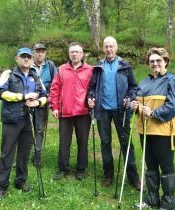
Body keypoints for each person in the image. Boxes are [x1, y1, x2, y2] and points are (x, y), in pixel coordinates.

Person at [131, 47, 175, 210]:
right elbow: (140, 103)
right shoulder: (145, 82)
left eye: (158, 61)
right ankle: (152, 199)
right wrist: (135, 105)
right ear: (148, 64)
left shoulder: (172, 80)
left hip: (163, 131)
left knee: (166, 168)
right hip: (145, 131)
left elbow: (174, 105)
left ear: (165, 62)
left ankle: (168, 203)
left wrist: (153, 113)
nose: (155, 64)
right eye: (151, 61)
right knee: (151, 166)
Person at [0, 47, 47, 201]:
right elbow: (1, 93)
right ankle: (2, 186)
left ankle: (21, 182)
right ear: (17, 58)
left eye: (28, 57)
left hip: (28, 120)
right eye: (22, 57)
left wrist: (37, 102)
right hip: (11, 120)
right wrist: (23, 96)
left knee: (24, 153)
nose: (26, 59)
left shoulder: (35, 76)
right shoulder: (8, 74)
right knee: (7, 153)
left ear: (32, 59)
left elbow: (45, 96)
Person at [87, 36, 141, 191]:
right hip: (102, 110)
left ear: (116, 48)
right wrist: (91, 98)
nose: (109, 49)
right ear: (103, 49)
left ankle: (133, 178)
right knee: (105, 143)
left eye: (111, 46)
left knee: (126, 144)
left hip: (121, 110)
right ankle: (108, 175)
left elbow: (133, 87)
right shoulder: (98, 67)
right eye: (106, 47)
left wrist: (129, 98)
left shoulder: (125, 66)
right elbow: (91, 88)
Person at [49, 42, 93, 181]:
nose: (74, 54)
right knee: (64, 142)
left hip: (83, 112)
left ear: (82, 54)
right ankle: (63, 168)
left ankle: (81, 169)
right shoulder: (61, 69)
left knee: (83, 141)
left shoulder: (90, 70)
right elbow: (54, 89)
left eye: (77, 52)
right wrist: (55, 107)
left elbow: (94, 89)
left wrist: (93, 103)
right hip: (65, 111)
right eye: (72, 52)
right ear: (69, 54)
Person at [31, 43, 57, 167]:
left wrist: (51, 100)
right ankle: (23, 154)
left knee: (40, 130)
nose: (40, 53)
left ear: (45, 53)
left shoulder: (50, 66)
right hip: (27, 103)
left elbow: (56, 83)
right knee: (26, 130)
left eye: (42, 51)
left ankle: (37, 156)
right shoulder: (27, 65)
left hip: (43, 103)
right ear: (33, 53)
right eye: (37, 51)